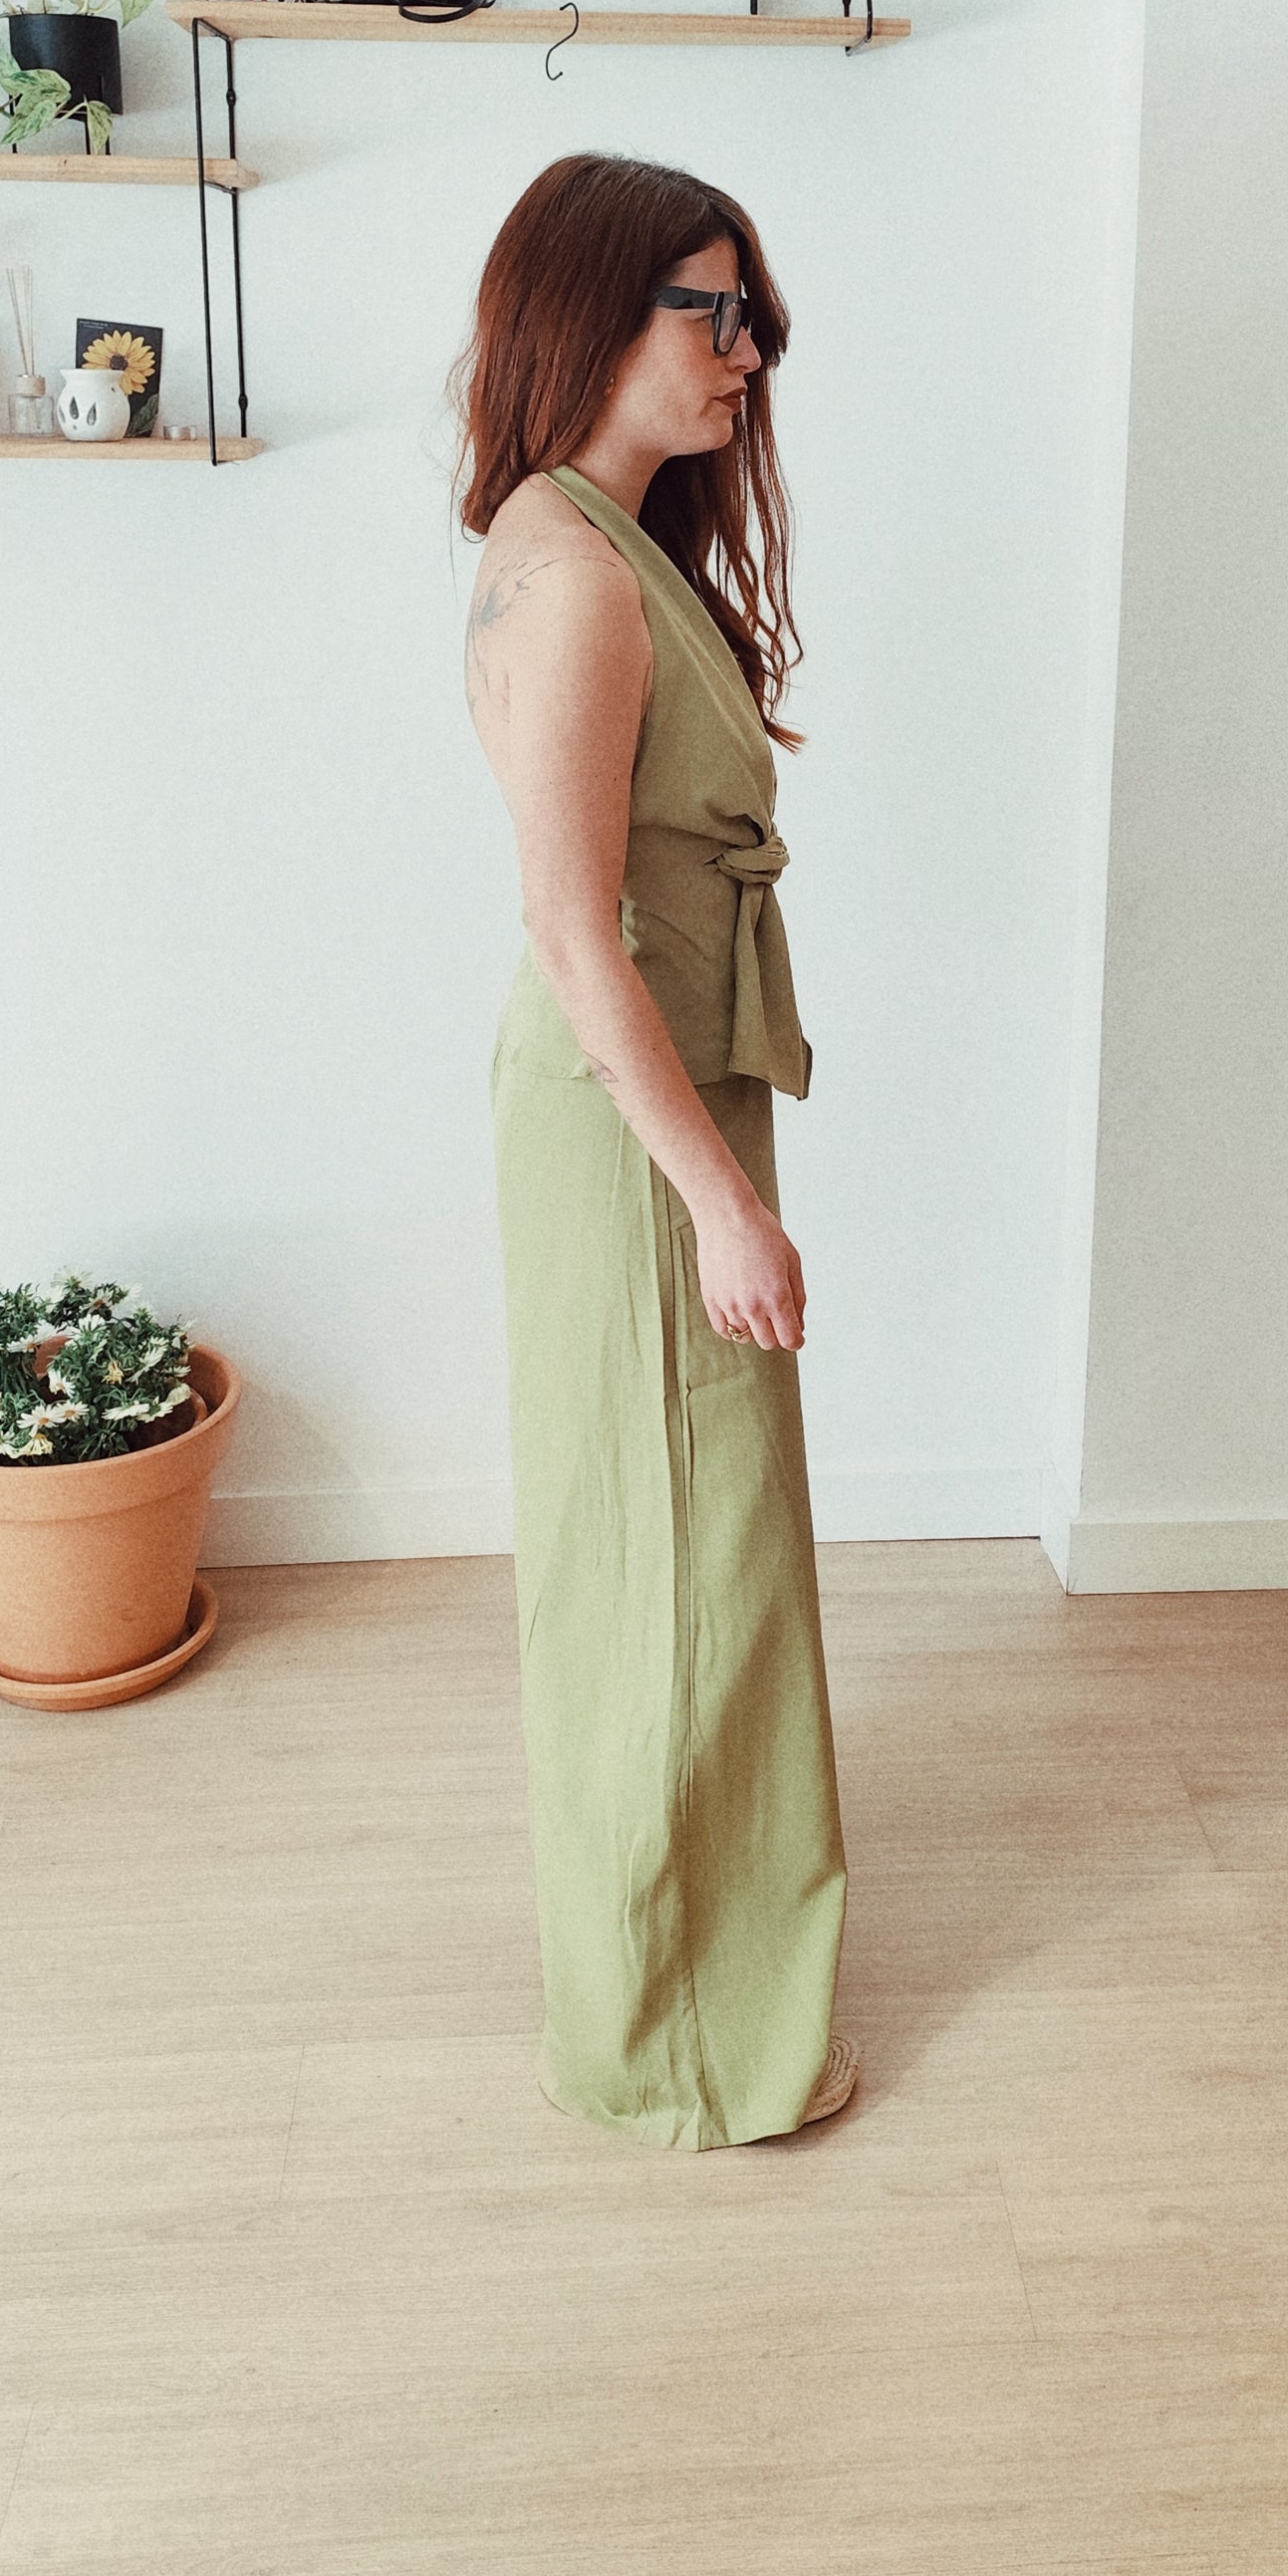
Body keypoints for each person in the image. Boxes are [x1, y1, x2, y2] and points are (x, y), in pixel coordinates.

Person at [453, 149, 856, 2150]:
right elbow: (569, 927)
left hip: (663, 1090)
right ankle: (683, 2046)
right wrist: (721, 1206)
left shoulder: (586, 535)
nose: (747, 349)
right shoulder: (580, 579)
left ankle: (699, 1985)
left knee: (681, 1546)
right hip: (639, 1124)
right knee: (678, 1563)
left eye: (748, 310)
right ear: (593, 313)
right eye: (713, 308)